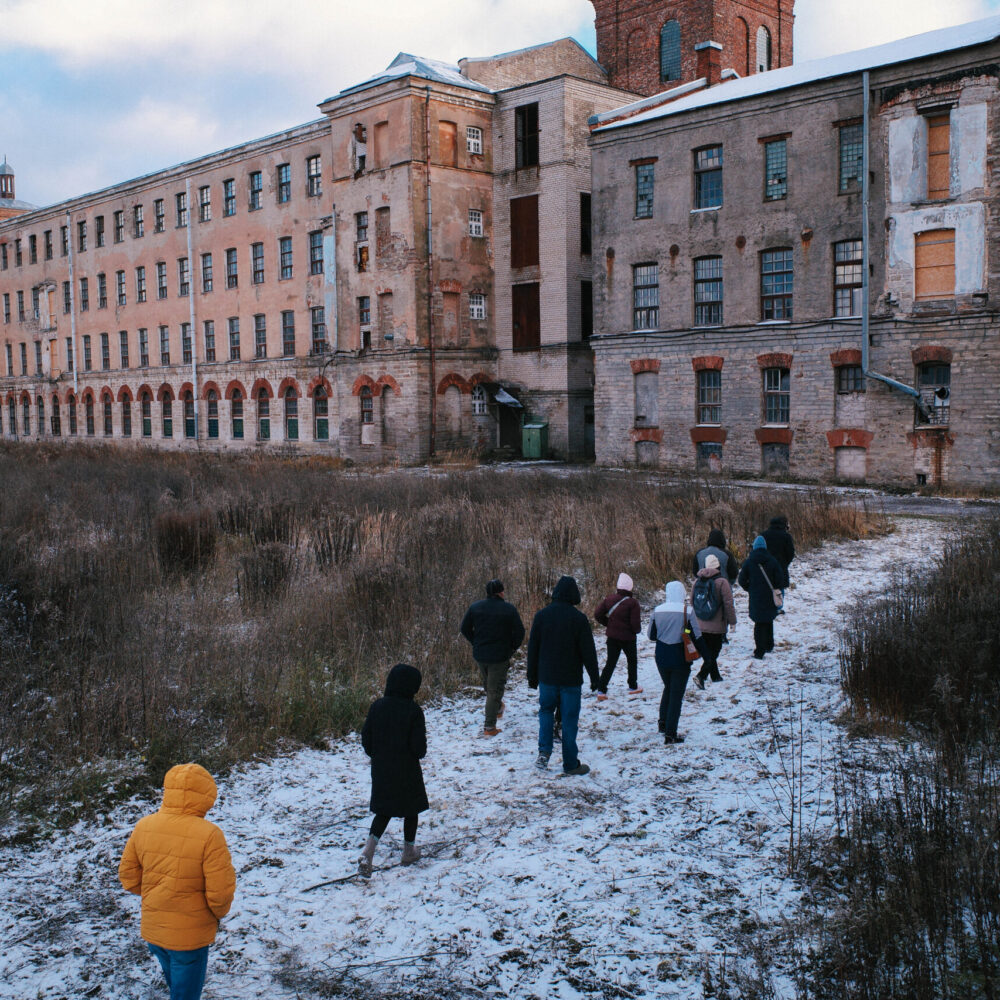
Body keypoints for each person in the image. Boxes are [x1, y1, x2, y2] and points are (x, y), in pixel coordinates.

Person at [119, 763, 236, 1000]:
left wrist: (156, 894)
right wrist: (215, 914)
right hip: (189, 938)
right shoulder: (209, 834)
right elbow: (220, 894)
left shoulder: (144, 826)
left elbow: (128, 877)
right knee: (185, 993)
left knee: (176, 983)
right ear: (206, 795)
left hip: (155, 931)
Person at [358, 663, 429, 878]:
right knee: (411, 810)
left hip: (382, 768)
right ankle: (408, 851)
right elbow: (419, 748)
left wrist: (377, 755)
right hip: (408, 769)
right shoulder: (413, 711)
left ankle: (368, 851)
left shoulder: (377, 707)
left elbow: (366, 738)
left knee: (384, 810)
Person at [526, 575, 599, 776]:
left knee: (546, 711)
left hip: (547, 677)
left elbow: (533, 649)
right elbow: (588, 652)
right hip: (571, 679)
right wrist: (595, 678)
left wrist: (532, 676)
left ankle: (544, 752)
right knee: (569, 719)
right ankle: (570, 763)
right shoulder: (579, 619)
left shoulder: (541, 616)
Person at [460, 578, 525, 736]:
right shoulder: (508, 609)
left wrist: (475, 642)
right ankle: (489, 727)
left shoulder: (475, 607)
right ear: (501, 592)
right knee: (494, 690)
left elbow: (464, 628)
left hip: (480, 654)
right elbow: (520, 632)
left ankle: (497, 708)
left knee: (489, 685)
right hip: (500, 655)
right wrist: (512, 648)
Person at [648, 581, 705, 744]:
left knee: (668, 688)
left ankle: (662, 723)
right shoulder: (688, 611)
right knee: (676, 695)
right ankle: (671, 734)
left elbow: (651, 635)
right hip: (680, 657)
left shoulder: (657, 610)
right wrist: (707, 657)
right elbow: (696, 635)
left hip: (661, 656)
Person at [593, 572, 642, 699]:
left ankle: (601, 689)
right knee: (632, 661)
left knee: (610, 662)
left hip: (612, 637)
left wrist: (608, 624)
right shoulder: (633, 603)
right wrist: (636, 630)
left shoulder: (609, 599)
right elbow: (635, 625)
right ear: (630, 587)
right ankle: (633, 686)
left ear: (618, 586)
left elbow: (597, 614)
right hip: (628, 638)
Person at [738, 536, 788, 659]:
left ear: (754, 547)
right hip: (769, 596)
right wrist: (775, 588)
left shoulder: (749, 562)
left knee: (759, 623)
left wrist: (749, 588)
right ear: (765, 547)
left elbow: (741, 580)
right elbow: (779, 580)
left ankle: (759, 650)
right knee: (769, 620)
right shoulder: (772, 561)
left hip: (756, 597)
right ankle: (769, 645)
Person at [692, 554, 737, 689]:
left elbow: (692, 602)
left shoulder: (697, 581)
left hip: (700, 624)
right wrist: (732, 621)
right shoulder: (722, 582)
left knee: (708, 651)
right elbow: (728, 604)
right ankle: (701, 676)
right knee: (714, 651)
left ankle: (715, 676)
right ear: (718, 566)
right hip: (717, 625)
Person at [762, 515, 795, 604]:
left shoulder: (764, 535)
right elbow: (791, 553)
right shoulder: (786, 536)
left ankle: (768, 605)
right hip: (781, 567)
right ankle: (778, 606)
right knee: (780, 588)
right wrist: (785, 563)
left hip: (766, 567)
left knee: (767, 587)